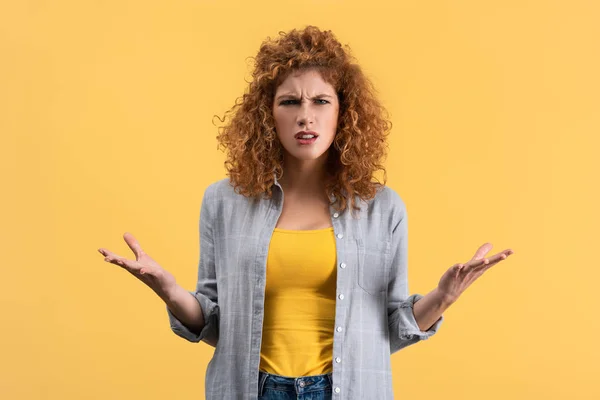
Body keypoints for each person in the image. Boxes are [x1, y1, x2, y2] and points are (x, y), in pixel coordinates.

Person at [97, 25, 514, 400]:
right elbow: (215, 324)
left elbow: (389, 329)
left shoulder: (382, 209)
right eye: (289, 101)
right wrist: (169, 290)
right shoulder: (223, 201)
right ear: (267, 115)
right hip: (251, 389)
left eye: (320, 100)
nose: (305, 116)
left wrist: (444, 297)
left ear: (343, 113)